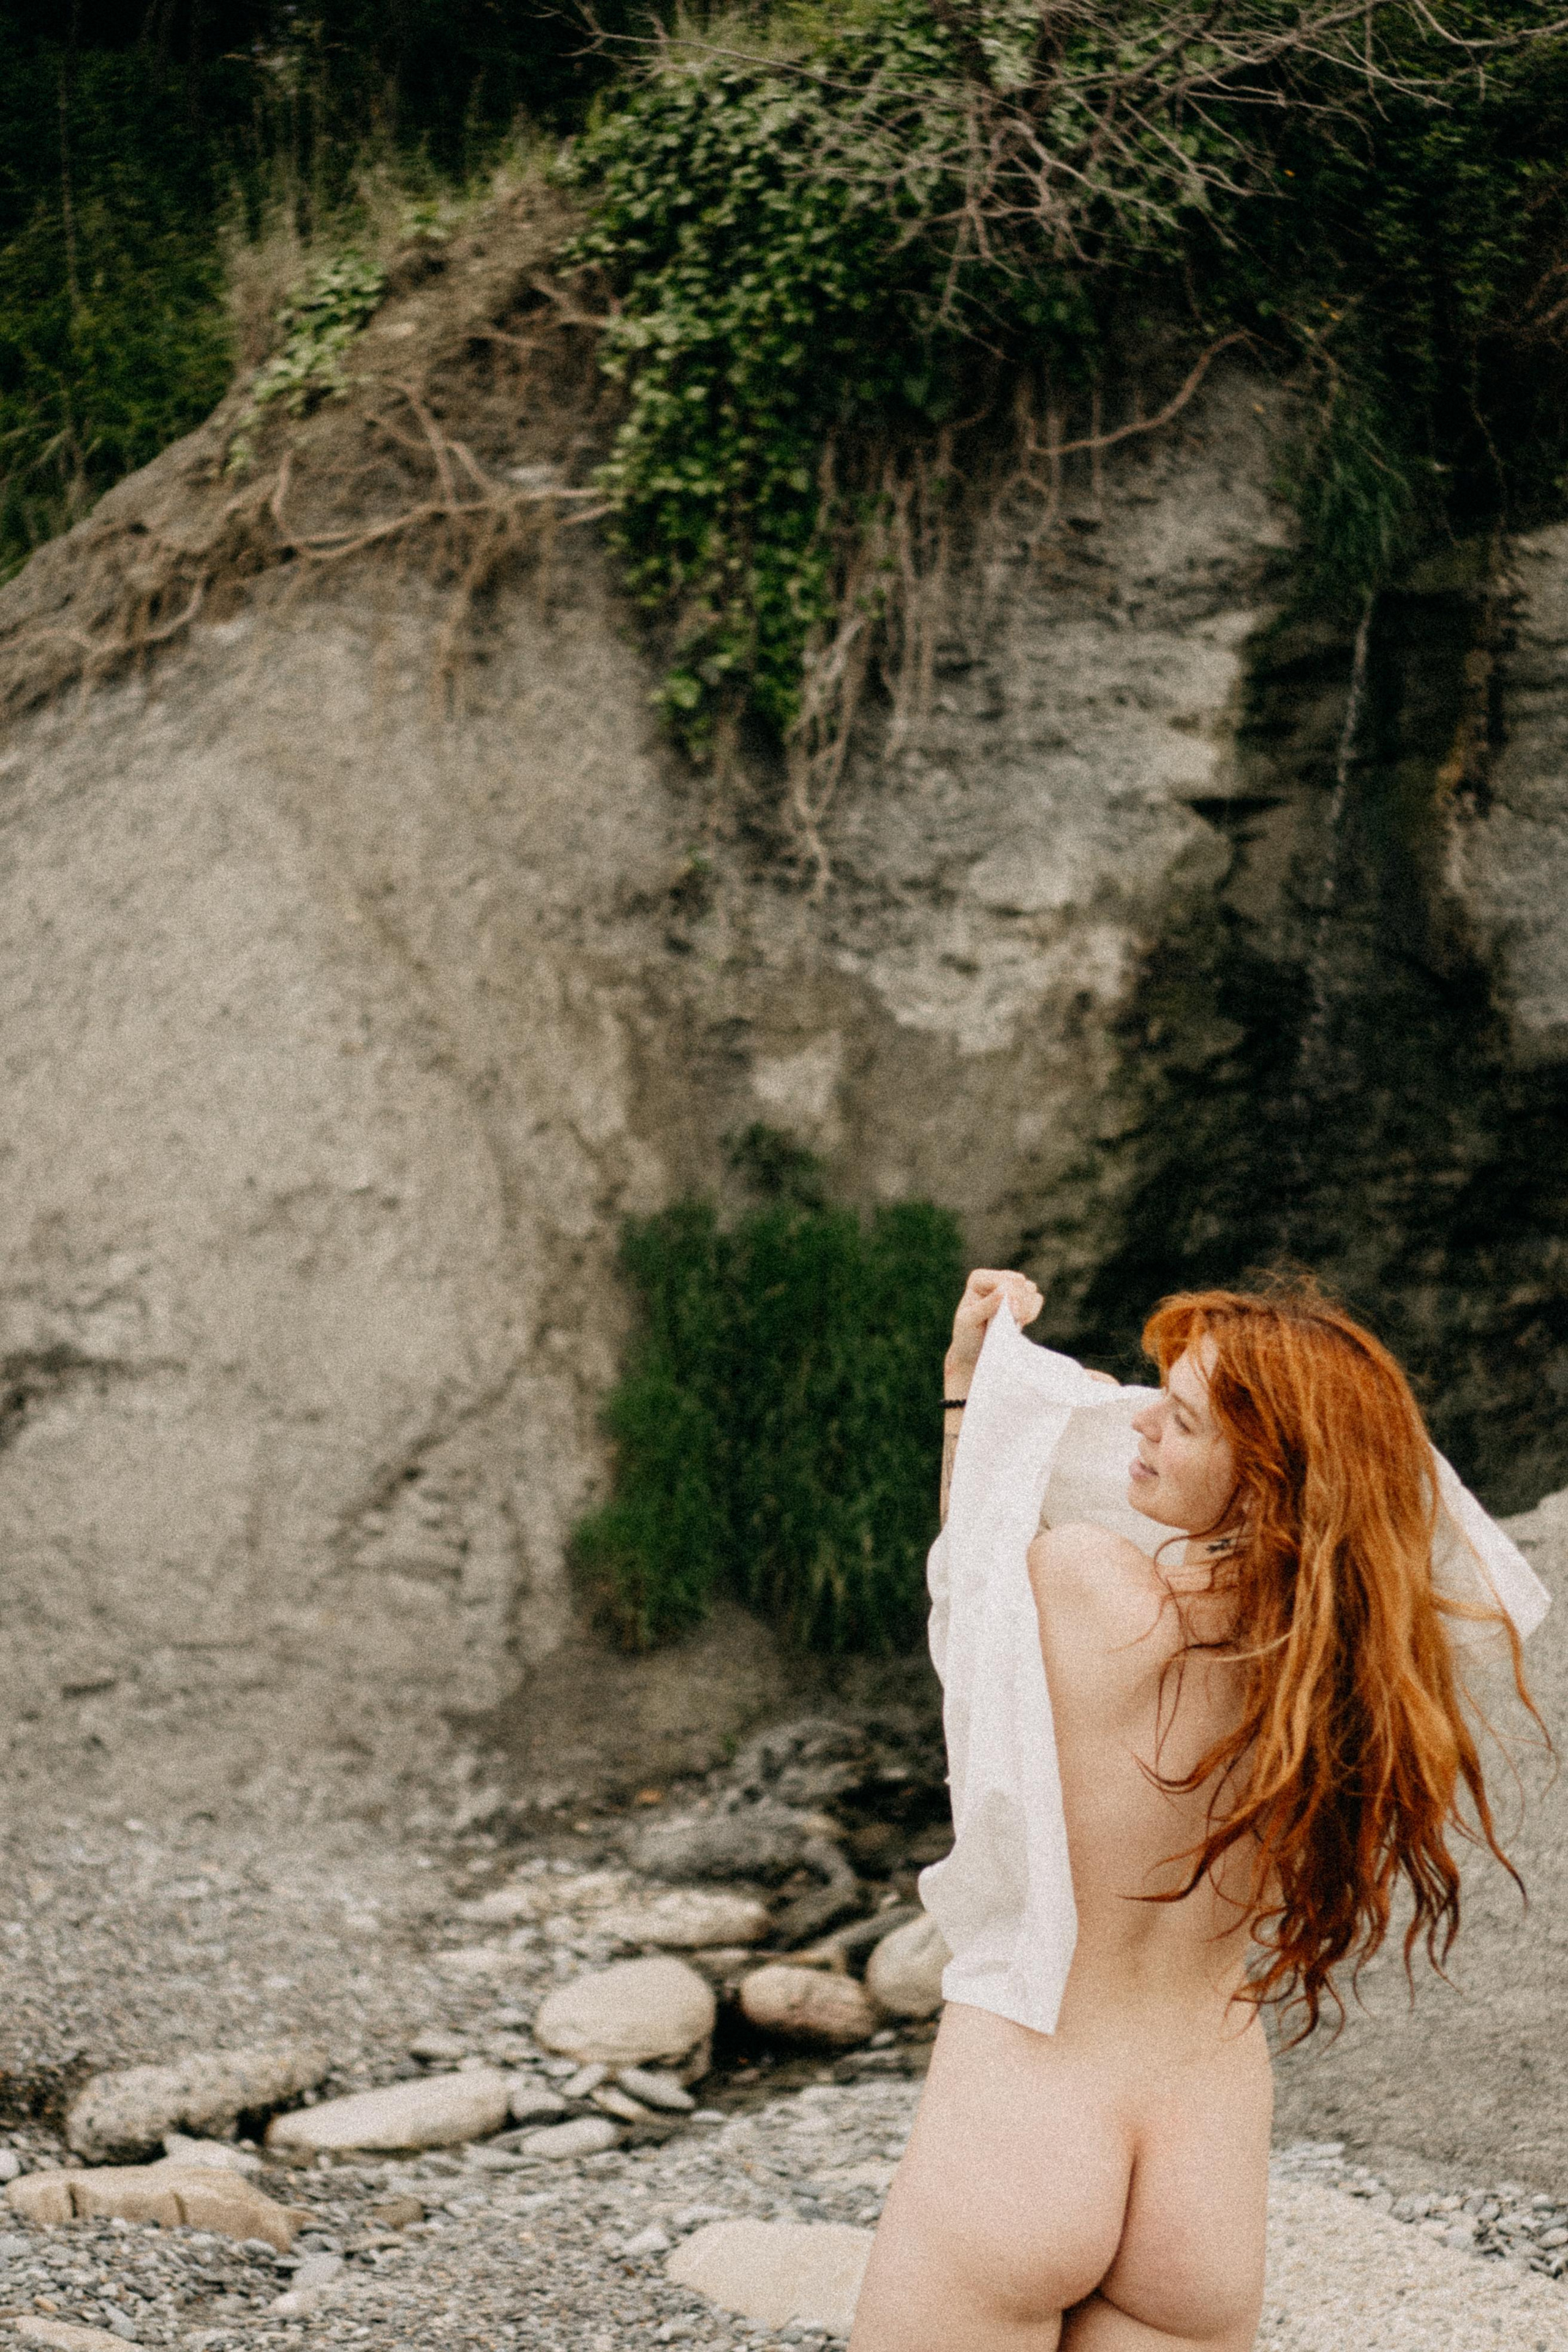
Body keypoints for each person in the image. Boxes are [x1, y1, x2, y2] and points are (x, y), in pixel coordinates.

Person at [849, 1268, 1545, 2352]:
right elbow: (1404, 1510)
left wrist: (974, 1390)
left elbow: (972, 1584)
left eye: (1178, 1418)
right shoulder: (1346, 1678)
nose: (1138, 1424)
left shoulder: (1087, 1584)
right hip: (1203, 2159)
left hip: (1030, 2111)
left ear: (1265, 1475)